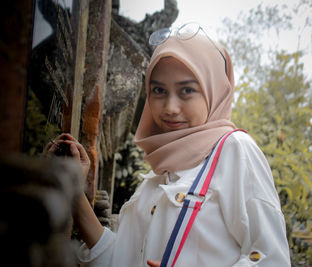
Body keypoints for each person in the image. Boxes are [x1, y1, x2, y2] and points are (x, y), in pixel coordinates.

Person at [46, 23, 291, 267]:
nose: (170, 108)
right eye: (159, 90)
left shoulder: (235, 150)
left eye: (187, 90)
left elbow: (272, 258)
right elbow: (122, 259)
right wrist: (75, 192)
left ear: (213, 91)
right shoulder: (158, 175)